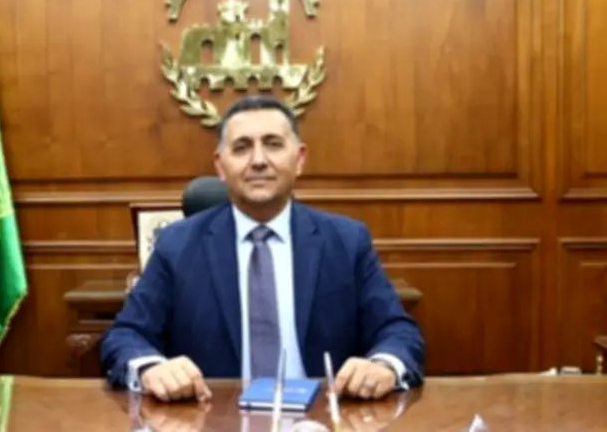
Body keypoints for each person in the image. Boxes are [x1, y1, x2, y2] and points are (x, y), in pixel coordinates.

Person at [100, 95, 425, 403]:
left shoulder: (346, 240)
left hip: (321, 417)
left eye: (273, 144)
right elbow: (126, 335)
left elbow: (397, 330)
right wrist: (151, 368)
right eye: (242, 148)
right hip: (212, 417)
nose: (258, 161)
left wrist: (383, 365)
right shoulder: (177, 244)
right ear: (220, 166)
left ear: (299, 159)